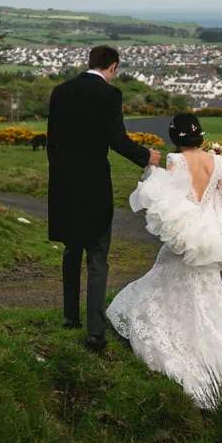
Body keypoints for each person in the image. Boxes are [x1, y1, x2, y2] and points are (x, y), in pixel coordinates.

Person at [106, 113, 222, 419]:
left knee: (167, 274)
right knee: (206, 292)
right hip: (207, 237)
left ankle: (178, 336)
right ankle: (218, 353)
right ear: (199, 135)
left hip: (186, 235)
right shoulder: (217, 161)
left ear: (175, 137)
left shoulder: (174, 161)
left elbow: (168, 196)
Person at [47, 45, 161, 351]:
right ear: (112, 67)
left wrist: (58, 177)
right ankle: (95, 333)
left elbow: (51, 141)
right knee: (98, 256)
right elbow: (116, 139)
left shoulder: (60, 91)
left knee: (72, 250)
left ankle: (70, 317)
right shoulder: (109, 95)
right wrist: (146, 156)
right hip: (94, 184)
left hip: (65, 183)